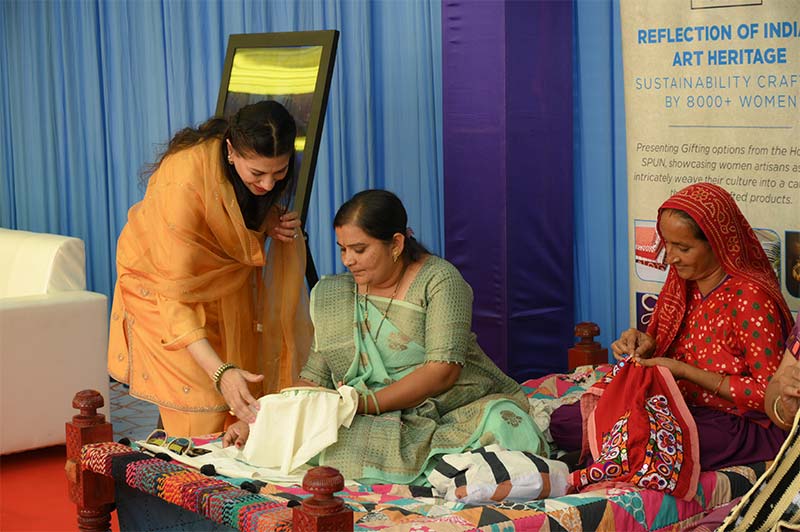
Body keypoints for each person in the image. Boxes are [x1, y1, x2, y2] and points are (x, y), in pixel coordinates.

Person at [223, 189, 548, 485]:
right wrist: (259, 421)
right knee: (323, 440)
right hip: (372, 416)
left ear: (396, 244)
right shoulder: (337, 295)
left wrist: (368, 403)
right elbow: (314, 379)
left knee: (506, 425)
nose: (347, 260)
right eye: (343, 249)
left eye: (359, 249)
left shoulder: (438, 280)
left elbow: (443, 370)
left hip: (452, 404)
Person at [107, 101, 311, 437]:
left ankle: (182, 455)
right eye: (257, 174)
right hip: (159, 289)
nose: (268, 185)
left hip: (221, 284)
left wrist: (266, 221)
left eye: (279, 173)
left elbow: (231, 221)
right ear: (230, 151)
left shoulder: (253, 175)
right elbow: (174, 299)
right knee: (202, 404)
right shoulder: (182, 185)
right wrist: (221, 373)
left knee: (234, 402)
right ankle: (183, 464)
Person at [608, 182, 794, 469]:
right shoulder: (683, 284)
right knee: (577, 419)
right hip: (684, 407)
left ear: (718, 244)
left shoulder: (750, 298)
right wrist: (645, 344)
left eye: (683, 248)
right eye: (667, 244)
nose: (670, 257)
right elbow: (669, 346)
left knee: (637, 440)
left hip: (739, 424)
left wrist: (685, 372)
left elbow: (770, 396)